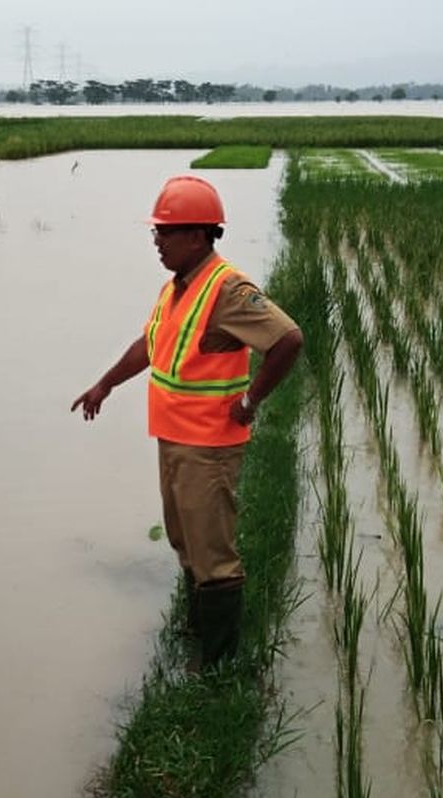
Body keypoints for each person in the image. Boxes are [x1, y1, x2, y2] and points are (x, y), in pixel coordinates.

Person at [71, 175, 303, 670]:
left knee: (213, 550)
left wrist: (252, 398)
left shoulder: (228, 290)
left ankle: (216, 664)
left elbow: (288, 339)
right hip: (174, 439)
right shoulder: (177, 287)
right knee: (184, 538)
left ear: (198, 236)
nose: (156, 241)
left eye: (165, 232)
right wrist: (105, 384)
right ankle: (197, 629)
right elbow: (151, 346)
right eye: (156, 232)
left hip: (210, 445)